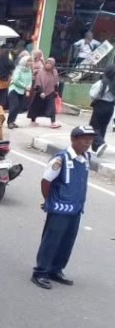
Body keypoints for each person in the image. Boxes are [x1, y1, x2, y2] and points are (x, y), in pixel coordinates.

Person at [32, 126, 94, 290]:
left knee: (67, 241)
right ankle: (40, 272)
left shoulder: (86, 157)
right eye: (84, 139)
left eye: (90, 139)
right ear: (73, 139)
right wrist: (49, 200)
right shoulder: (61, 159)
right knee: (51, 241)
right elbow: (46, 181)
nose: (88, 142)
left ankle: (56, 269)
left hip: (76, 208)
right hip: (60, 208)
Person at [88, 65, 115, 155]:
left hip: (101, 105)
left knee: (94, 126)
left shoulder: (102, 82)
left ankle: (100, 143)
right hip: (110, 107)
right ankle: (97, 148)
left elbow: (93, 94)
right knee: (103, 126)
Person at [27, 58, 61, 128]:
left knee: (52, 107)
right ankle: (33, 120)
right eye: (47, 63)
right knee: (36, 107)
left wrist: (56, 91)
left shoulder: (54, 72)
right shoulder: (41, 72)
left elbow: (56, 82)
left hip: (51, 91)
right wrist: (41, 92)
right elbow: (38, 82)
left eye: (50, 64)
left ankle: (53, 122)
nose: (48, 65)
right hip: (40, 92)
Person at [7, 54, 33, 129]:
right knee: (14, 106)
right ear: (24, 61)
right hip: (14, 90)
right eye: (28, 61)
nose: (30, 63)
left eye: (31, 61)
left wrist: (28, 88)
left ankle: (13, 121)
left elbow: (30, 80)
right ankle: (10, 122)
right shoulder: (18, 69)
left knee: (18, 107)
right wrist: (25, 86)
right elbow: (15, 80)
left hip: (22, 91)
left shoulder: (29, 70)